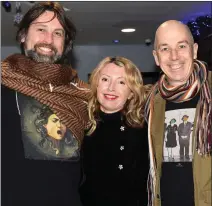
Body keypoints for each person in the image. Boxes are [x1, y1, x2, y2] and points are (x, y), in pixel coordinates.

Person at [1, 2, 90, 206]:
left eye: (58, 33)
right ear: (23, 35)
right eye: (41, 29)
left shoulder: (80, 95)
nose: (48, 40)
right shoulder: (3, 83)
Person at [145, 20, 212, 206]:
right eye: (165, 48)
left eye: (181, 46)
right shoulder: (150, 102)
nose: (174, 56)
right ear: (156, 57)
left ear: (195, 50)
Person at [79, 56, 150, 206]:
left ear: (131, 92)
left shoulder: (144, 129)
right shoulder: (80, 123)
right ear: (96, 84)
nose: (111, 88)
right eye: (105, 79)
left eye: (121, 82)